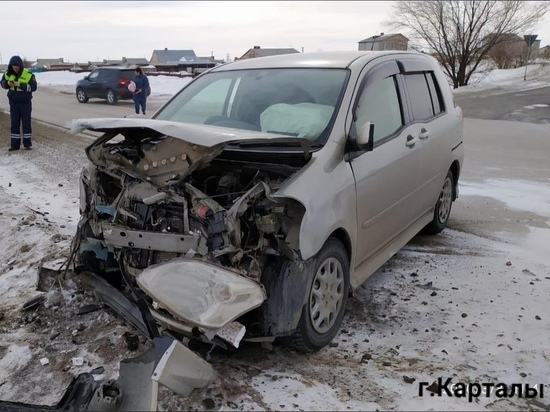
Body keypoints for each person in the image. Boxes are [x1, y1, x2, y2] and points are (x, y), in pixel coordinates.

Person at [0, 55, 38, 151]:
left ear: (20, 65)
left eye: (17, 65)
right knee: (14, 123)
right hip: (13, 103)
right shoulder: (7, 74)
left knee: (26, 124)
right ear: (11, 66)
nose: (15, 67)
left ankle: (27, 144)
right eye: (13, 65)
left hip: (25, 103)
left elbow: (33, 87)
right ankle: (15, 145)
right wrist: (7, 84)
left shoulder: (28, 74)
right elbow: (2, 84)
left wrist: (21, 85)